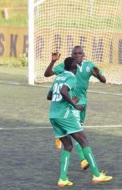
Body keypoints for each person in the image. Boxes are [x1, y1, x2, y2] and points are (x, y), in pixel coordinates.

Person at [47, 57, 112, 187]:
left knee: (68, 146)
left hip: (53, 115)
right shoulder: (71, 77)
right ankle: (97, 175)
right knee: (83, 140)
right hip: (64, 115)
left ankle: (63, 178)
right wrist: (74, 105)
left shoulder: (58, 77)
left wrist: (70, 101)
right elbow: (63, 91)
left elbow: (49, 96)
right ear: (74, 68)